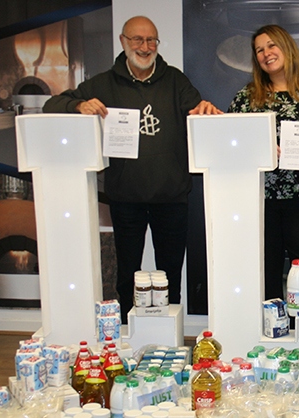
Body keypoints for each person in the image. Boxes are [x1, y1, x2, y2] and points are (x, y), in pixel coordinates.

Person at [43, 16, 222, 323]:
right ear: (124, 42)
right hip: (126, 199)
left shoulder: (176, 81)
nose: (145, 46)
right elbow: (52, 105)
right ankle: (127, 334)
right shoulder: (102, 83)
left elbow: (197, 111)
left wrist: (204, 109)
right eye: (137, 40)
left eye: (151, 40)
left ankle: (170, 336)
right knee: (127, 274)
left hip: (172, 197)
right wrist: (78, 106)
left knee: (169, 277)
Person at [228, 24, 299, 301]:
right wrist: (257, 148)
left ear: (287, 48)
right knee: (264, 269)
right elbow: (233, 144)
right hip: (261, 196)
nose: (266, 53)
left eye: (271, 45)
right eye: (259, 50)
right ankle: (269, 330)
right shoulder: (247, 97)